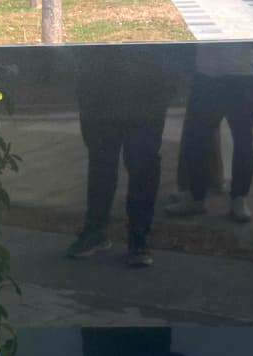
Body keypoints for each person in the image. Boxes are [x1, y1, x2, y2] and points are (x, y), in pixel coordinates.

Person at [69, 45, 179, 267]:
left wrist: (168, 80)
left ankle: (138, 238)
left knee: (142, 163)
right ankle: (97, 231)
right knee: (102, 162)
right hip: (101, 85)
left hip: (146, 86)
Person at [166, 44, 253, 223]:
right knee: (198, 139)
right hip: (212, 73)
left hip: (240, 73)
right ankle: (197, 196)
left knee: (241, 140)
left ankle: (237, 197)